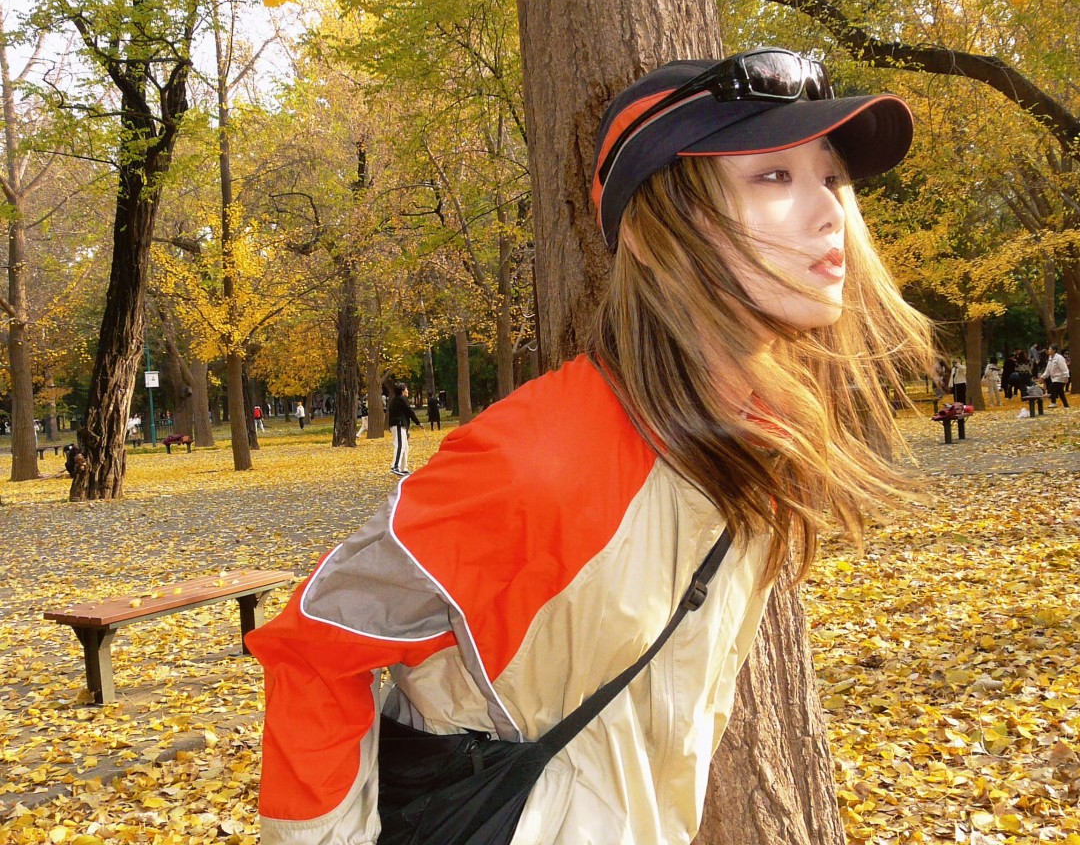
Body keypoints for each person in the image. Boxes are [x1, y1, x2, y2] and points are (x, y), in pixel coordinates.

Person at [247, 48, 934, 845]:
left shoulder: (759, 449)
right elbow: (313, 647)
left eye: (832, 177)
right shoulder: (538, 459)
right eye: (773, 176)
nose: (829, 211)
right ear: (659, 230)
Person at [386, 383, 421, 476]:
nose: (407, 391)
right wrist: (418, 422)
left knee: (405, 446)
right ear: (402, 391)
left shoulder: (396, 400)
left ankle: (403, 468)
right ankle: (395, 466)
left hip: (400, 425)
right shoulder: (401, 399)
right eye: (406, 389)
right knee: (400, 445)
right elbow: (410, 411)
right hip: (399, 424)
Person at [1040, 344, 1070, 409]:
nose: (1048, 350)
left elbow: (1064, 368)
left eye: (1050, 349)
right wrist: (1043, 376)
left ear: (1054, 350)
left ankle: (1053, 402)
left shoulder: (1059, 358)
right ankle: (1066, 405)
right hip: (1054, 378)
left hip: (1060, 377)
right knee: (1060, 392)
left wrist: (1066, 376)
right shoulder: (1050, 358)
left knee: (1051, 387)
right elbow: (1048, 369)